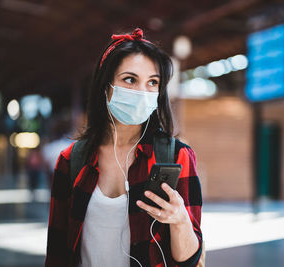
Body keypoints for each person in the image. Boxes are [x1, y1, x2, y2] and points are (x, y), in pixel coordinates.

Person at [45, 28, 203, 267]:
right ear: (105, 86)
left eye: (152, 82)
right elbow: (57, 251)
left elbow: (188, 260)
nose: (142, 91)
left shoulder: (176, 156)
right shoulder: (72, 160)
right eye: (130, 79)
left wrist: (180, 220)